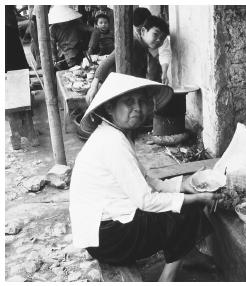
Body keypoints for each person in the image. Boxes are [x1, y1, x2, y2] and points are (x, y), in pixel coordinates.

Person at [70, 72, 222, 281]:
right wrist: (195, 198)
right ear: (109, 108)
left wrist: (183, 184)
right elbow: (145, 200)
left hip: (101, 233)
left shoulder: (114, 134)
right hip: (108, 239)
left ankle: (187, 255)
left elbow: (145, 180)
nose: (138, 108)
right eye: (128, 102)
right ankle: (167, 278)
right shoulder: (112, 144)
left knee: (181, 203)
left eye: (142, 102)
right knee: (185, 210)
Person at [86, 15, 170, 104]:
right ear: (143, 31)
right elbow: (106, 63)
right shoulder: (132, 44)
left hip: (121, 90)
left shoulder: (145, 51)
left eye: (162, 38)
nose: (158, 40)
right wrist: (93, 87)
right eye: (155, 34)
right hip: (109, 89)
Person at [133, 7, 172, 85]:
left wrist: (164, 72)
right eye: (138, 29)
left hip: (153, 57)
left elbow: (165, 53)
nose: (140, 32)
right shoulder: (132, 43)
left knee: (153, 77)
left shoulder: (159, 32)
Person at [5, 5, 29, 72]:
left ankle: (18, 67)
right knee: (11, 49)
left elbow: (15, 17)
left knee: (15, 49)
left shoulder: (11, 7)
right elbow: (11, 18)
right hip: (8, 28)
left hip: (11, 27)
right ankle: (16, 67)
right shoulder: (7, 7)